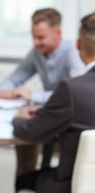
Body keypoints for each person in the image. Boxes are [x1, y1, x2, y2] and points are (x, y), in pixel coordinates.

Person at [13, 12, 95, 193]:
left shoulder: (73, 89)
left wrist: (19, 117)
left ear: (78, 45)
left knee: (25, 180)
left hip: (74, 184)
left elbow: (28, 130)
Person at [0, 8, 86, 177]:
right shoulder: (37, 53)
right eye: (33, 36)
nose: (36, 42)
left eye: (41, 37)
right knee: (25, 132)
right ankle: (25, 181)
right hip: (50, 114)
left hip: (70, 119)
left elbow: (74, 95)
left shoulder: (74, 53)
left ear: (57, 33)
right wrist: (6, 90)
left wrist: (33, 96)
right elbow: (14, 78)